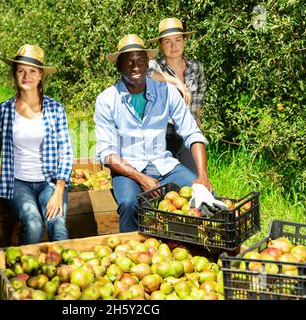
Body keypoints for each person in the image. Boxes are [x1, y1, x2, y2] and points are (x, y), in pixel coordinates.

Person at [94, 34, 223, 232]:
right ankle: (130, 254)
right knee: (129, 204)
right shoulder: (107, 100)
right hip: (128, 170)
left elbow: (192, 133)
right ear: (119, 66)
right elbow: (106, 153)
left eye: (140, 60)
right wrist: (140, 177)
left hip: (164, 165)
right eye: (129, 61)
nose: (135, 66)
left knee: (207, 198)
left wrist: (202, 176)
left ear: (148, 63)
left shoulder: (166, 92)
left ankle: (208, 250)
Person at [0, 44, 73, 244]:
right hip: (17, 182)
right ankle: (31, 274)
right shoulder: (4, 110)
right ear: (14, 75)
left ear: (40, 76)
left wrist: (59, 191)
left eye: (32, 71)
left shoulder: (55, 109)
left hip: (49, 182)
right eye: (20, 71)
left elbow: (66, 152)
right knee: (34, 223)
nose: (26, 76)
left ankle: (63, 270)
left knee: (58, 223)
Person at [148, 17, 207, 174]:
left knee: (194, 182)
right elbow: (146, 74)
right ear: (160, 45)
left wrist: (198, 133)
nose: (174, 46)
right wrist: (175, 81)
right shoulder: (155, 66)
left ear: (184, 41)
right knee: (166, 187)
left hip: (189, 133)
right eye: (168, 42)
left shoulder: (196, 67)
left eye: (178, 40)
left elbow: (198, 105)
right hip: (164, 136)